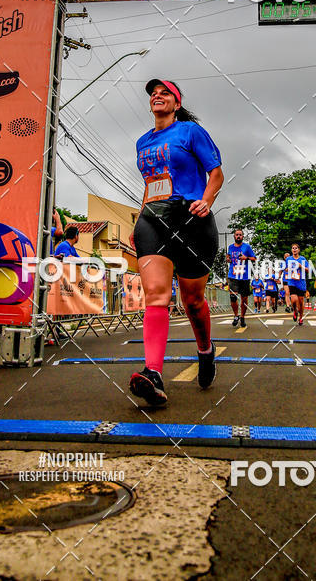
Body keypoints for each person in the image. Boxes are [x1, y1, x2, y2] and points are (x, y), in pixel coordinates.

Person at [130, 79, 223, 407]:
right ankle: (153, 373)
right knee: (156, 294)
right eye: (153, 93)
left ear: (176, 102)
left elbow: (216, 173)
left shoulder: (190, 132)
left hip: (191, 218)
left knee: (193, 301)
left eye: (164, 92)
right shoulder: (142, 142)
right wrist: (139, 219)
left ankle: (205, 351)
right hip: (154, 219)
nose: (157, 96)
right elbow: (151, 184)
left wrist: (207, 200)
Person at [227, 228, 256, 329]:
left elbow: (254, 258)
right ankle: (236, 315)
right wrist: (228, 259)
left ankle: (242, 317)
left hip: (244, 276)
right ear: (234, 236)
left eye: (240, 235)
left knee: (244, 298)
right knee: (233, 297)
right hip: (233, 275)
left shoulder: (246, 247)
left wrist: (246, 258)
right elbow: (228, 256)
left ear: (243, 236)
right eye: (237, 235)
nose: (238, 236)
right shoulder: (230, 247)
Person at [282, 243, 310, 326]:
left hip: (301, 282)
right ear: (291, 250)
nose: (294, 249)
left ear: (299, 250)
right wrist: (288, 269)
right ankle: (295, 311)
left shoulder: (303, 259)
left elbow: (308, 270)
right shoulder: (288, 259)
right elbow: (285, 269)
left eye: (296, 248)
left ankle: (300, 318)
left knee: (301, 302)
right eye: (293, 248)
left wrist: (301, 266)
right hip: (292, 282)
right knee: (294, 300)